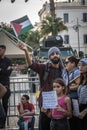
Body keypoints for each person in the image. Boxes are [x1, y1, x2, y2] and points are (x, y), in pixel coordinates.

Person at [18, 42, 69, 130]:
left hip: (59, 107)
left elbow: (67, 87)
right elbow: (31, 65)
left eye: (57, 53)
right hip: (46, 107)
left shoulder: (64, 71)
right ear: (49, 57)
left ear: (60, 56)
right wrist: (26, 51)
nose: (55, 55)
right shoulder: (44, 68)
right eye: (52, 54)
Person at [65, 56, 80, 130]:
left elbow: (78, 85)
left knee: (74, 119)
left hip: (74, 99)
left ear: (73, 63)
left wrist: (66, 88)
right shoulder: (69, 72)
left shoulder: (76, 72)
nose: (65, 64)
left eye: (67, 62)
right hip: (70, 98)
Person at [0, 45, 13, 128]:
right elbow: (6, 71)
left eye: (0, 50)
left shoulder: (8, 61)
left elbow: (8, 73)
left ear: (4, 50)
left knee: (5, 104)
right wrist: (5, 70)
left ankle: (3, 123)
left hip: (6, 85)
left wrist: (1, 70)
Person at [77, 58, 87, 130]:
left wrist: (85, 111)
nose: (81, 67)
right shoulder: (81, 79)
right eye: (79, 65)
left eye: (83, 65)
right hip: (81, 108)